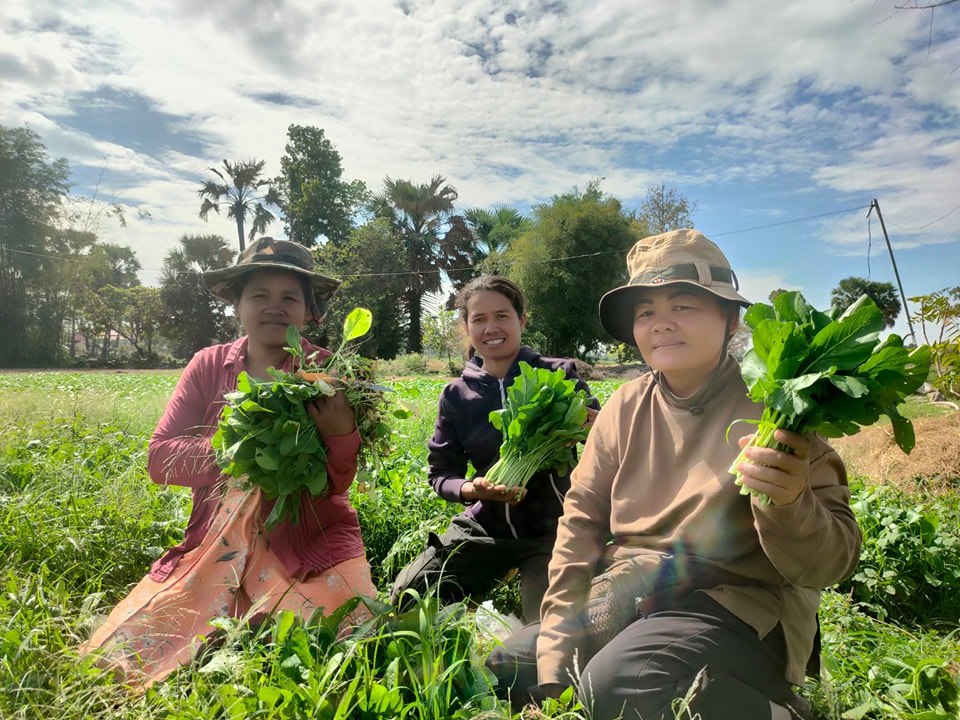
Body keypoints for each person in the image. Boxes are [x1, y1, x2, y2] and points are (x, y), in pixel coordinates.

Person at [487, 229, 862, 719]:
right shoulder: (625, 406)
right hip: (632, 592)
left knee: (619, 683)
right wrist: (556, 657)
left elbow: (832, 563)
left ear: (731, 321)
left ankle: (782, 712)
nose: (661, 324)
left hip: (736, 605)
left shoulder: (780, 409)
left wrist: (791, 504)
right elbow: (578, 526)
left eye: (683, 306)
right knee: (510, 666)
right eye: (646, 312)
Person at [81, 237, 377, 687]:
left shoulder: (330, 371)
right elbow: (160, 459)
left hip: (308, 533)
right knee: (146, 639)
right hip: (219, 536)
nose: (273, 307)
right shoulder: (208, 365)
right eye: (259, 295)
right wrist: (238, 449)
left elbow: (337, 484)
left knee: (347, 636)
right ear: (237, 303)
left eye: (289, 297)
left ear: (309, 310)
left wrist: (340, 432)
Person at [389, 276, 600, 623]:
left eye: (502, 316)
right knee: (408, 597)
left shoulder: (559, 375)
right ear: (467, 327)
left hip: (552, 530)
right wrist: (473, 489)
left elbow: (606, 441)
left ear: (522, 320)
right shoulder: (456, 395)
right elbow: (442, 474)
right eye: (479, 319)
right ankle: (485, 579)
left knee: (547, 628)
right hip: (484, 526)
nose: (491, 328)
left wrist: (594, 427)